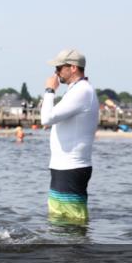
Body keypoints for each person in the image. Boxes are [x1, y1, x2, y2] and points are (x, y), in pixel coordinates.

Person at [41, 49, 99, 224]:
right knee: (59, 221)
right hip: (64, 166)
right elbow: (52, 118)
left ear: (73, 67)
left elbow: (46, 118)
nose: (56, 72)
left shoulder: (82, 91)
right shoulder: (76, 90)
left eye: (59, 68)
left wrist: (50, 90)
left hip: (71, 166)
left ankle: (78, 243)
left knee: (71, 223)